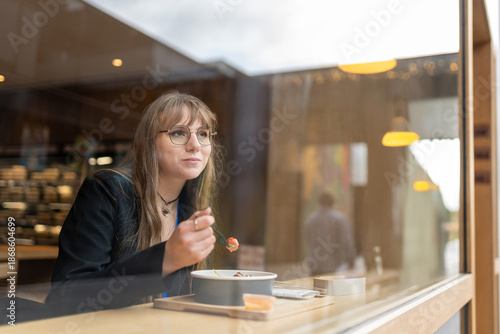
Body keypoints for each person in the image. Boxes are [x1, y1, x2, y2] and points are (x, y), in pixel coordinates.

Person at [44, 91, 223, 317]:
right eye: (179, 133)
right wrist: (165, 259)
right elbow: (66, 297)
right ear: (149, 142)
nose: (195, 145)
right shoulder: (106, 190)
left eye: (204, 134)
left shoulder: (191, 210)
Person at [305, 192, 356, 276]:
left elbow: (309, 240)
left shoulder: (311, 219)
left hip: (315, 263)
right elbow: (346, 240)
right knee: (332, 288)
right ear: (333, 202)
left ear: (319, 202)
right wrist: (351, 259)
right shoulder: (339, 219)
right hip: (334, 264)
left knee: (315, 287)